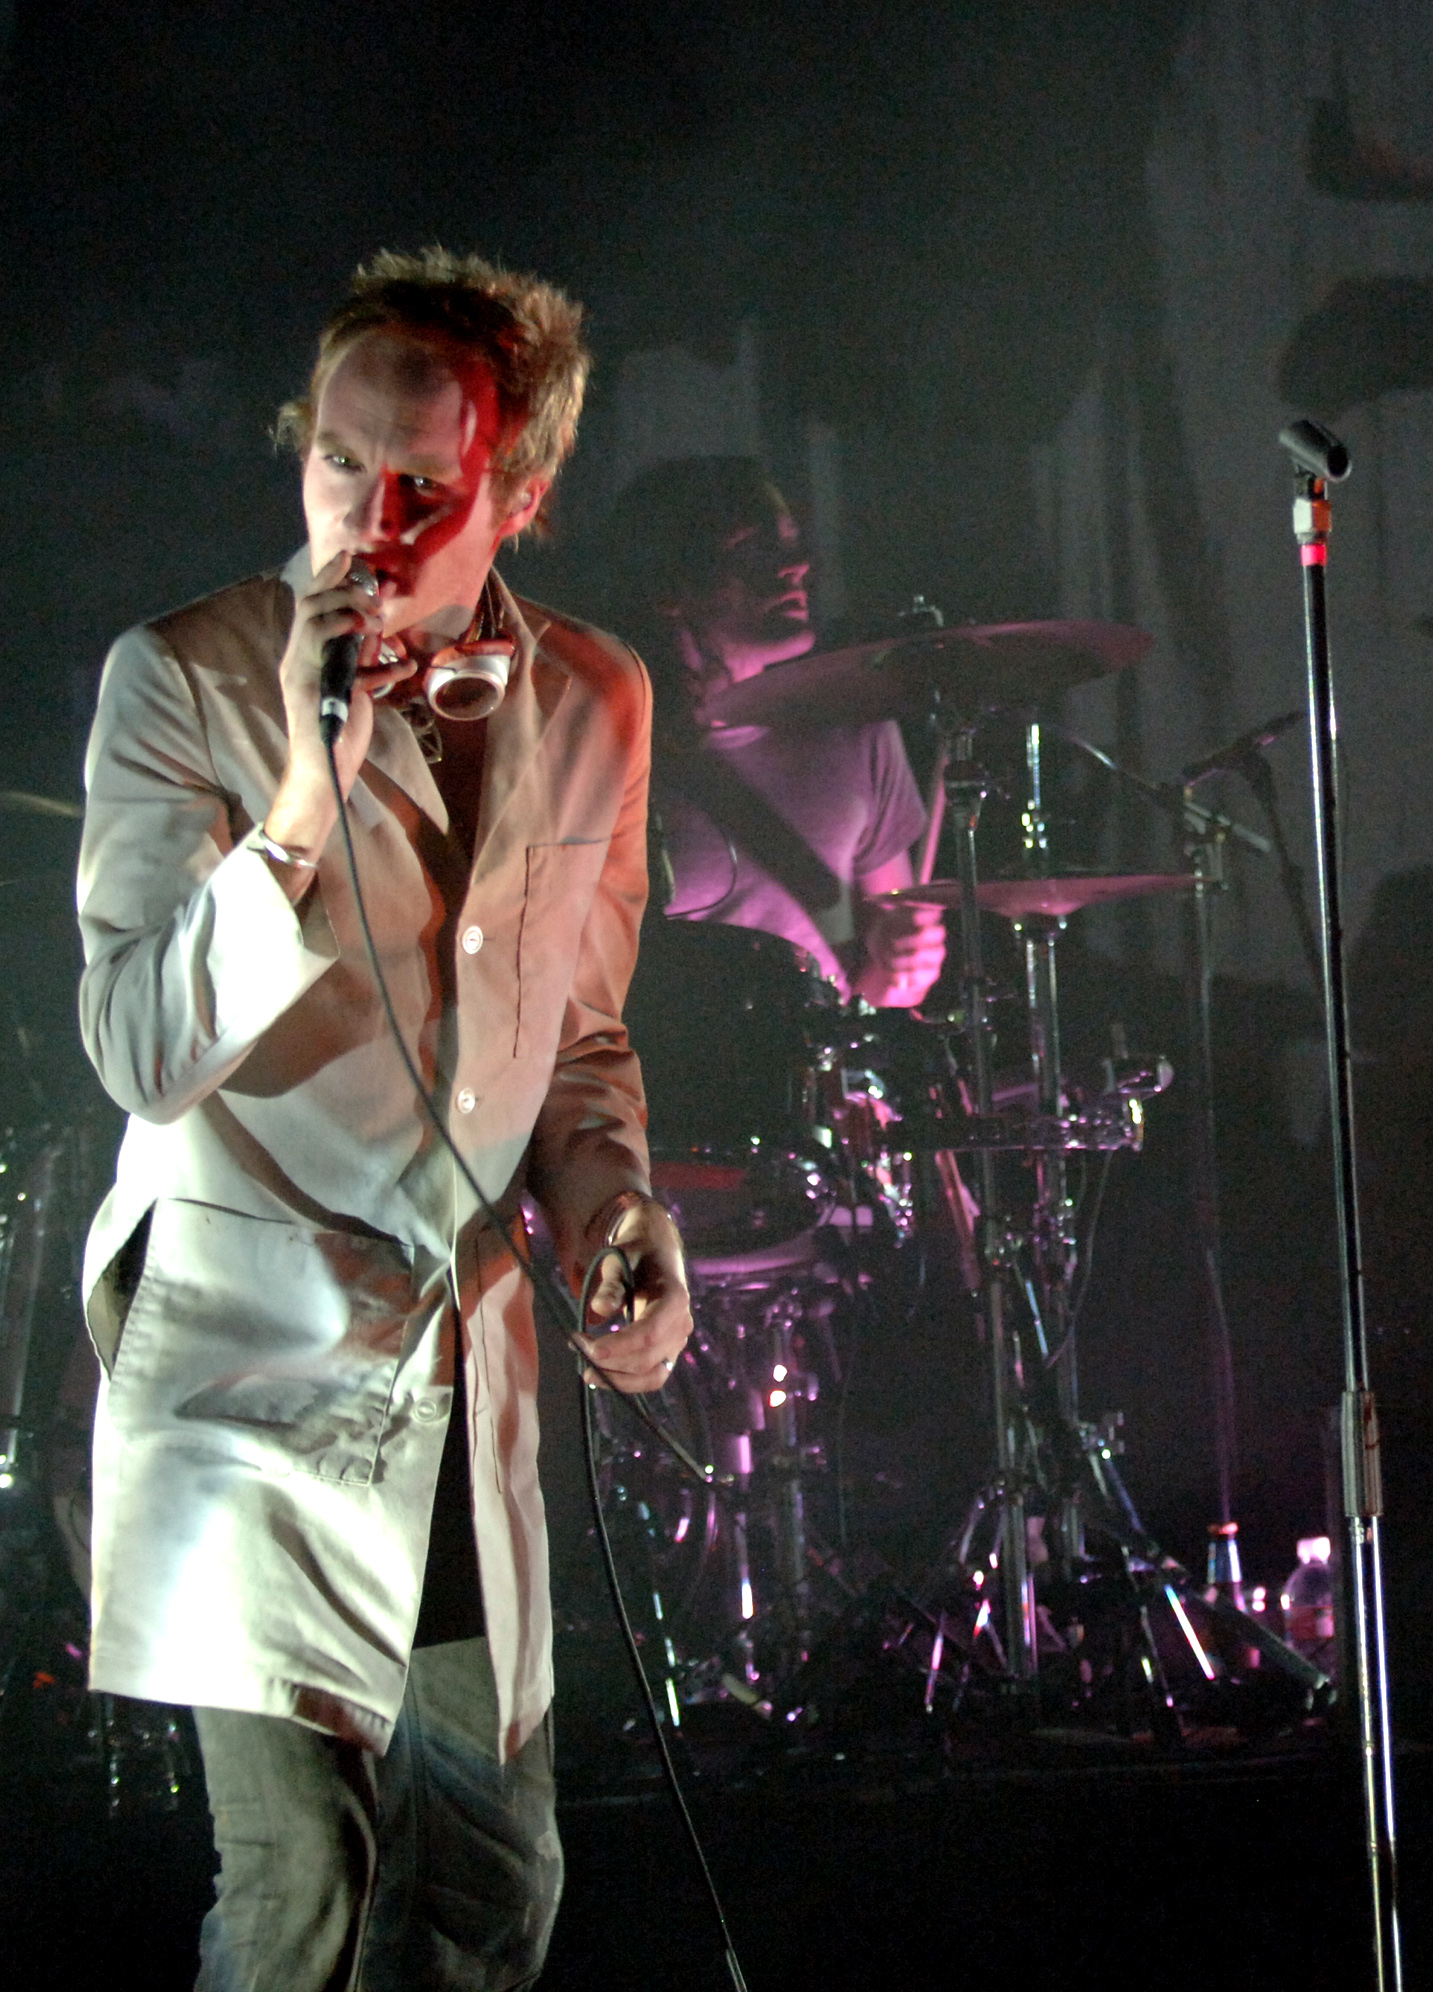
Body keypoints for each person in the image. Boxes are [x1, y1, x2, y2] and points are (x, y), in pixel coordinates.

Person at [75, 248, 692, 1989]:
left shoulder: (595, 700)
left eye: (428, 483)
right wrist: (298, 796)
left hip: (456, 1352)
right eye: (340, 464)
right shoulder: (180, 678)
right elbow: (136, 1045)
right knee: (304, 1902)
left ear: (523, 494)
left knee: (494, 1893)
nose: (374, 517)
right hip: (247, 1349)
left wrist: (610, 1208)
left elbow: (576, 1041)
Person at [597, 455, 943, 1009]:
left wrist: (903, 965)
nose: (797, 567)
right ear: (670, 585)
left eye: (793, 545)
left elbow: (882, 992)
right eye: (756, 552)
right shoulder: (602, 751)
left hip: (819, 1081)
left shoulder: (856, 728)